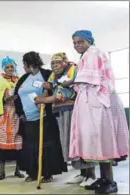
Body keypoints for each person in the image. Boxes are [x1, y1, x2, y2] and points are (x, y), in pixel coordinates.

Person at [69, 30, 129, 194]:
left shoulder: (95, 53)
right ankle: (102, 179)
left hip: (102, 102)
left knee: (104, 141)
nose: (77, 45)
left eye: (80, 42)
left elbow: (99, 80)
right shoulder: (85, 56)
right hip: (92, 103)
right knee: (97, 142)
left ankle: (111, 181)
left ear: (89, 41)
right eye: (74, 43)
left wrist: (72, 82)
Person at [34, 52, 97, 186]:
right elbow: (52, 86)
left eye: (57, 62)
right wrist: (47, 88)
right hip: (60, 111)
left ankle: (91, 175)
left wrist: (43, 99)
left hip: (74, 110)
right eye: (52, 63)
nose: (55, 66)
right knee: (69, 143)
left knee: (79, 141)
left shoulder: (73, 70)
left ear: (65, 62)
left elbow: (64, 93)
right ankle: (82, 173)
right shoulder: (54, 74)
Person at [14, 51, 67, 183]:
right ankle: (33, 172)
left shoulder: (47, 74)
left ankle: (47, 173)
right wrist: (20, 114)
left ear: (29, 63)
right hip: (28, 119)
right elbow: (17, 96)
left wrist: (49, 89)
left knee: (45, 145)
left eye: (24, 64)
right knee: (30, 146)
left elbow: (57, 88)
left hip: (44, 117)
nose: (24, 67)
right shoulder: (23, 78)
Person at [0, 56, 24, 180]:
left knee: (18, 143)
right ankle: (2, 171)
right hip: (3, 115)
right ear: (4, 68)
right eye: (7, 67)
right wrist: (6, 98)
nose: (10, 69)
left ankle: (17, 170)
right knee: (2, 144)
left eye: (11, 66)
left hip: (17, 116)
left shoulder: (19, 80)